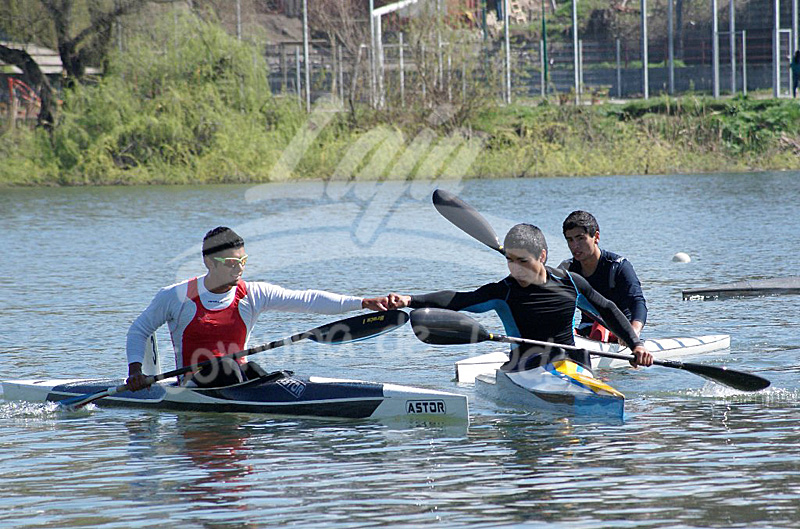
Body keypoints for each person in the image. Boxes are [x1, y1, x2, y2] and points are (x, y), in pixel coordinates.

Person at [125, 226, 388, 390]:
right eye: (231, 263)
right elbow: (139, 330)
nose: (239, 268)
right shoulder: (176, 296)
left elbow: (307, 300)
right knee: (228, 368)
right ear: (209, 262)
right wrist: (135, 371)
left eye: (243, 261)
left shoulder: (253, 293)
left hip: (238, 377)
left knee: (256, 370)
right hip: (192, 385)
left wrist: (362, 302)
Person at [387, 223, 652, 368]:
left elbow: (607, 309)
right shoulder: (503, 291)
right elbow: (459, 300)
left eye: (523, 261)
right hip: (525, 368)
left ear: (542, 256)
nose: (515, 269)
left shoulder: (571, 282)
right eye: (510, 261)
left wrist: (636, 344)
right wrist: (410, 300)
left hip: (572, 365)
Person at [560, 210, 647, 341]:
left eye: (580, 238)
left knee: (599, 329)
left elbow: (637, 302)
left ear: (596, 237)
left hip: (620, 331)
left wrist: (633, 332)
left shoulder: (618, 266)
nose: (575, 246)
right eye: (570, 240)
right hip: (587, 329)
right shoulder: (567, 268)